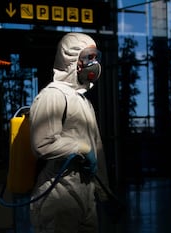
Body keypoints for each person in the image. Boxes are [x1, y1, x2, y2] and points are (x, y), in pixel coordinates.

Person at [29, 32, 110, 233]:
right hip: (58, 194)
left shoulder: (82, 100)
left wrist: (104, 193)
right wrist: (80, 147)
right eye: (88, 58)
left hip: (85, 193)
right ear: (71, 60)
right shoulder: (53, 95)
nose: (94, 63)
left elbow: (96, 146)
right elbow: (42, 143)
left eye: (95, 57)